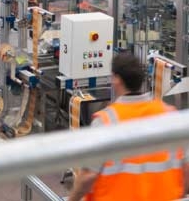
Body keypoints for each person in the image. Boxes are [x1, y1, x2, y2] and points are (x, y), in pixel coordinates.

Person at [69, 53, 189, 201]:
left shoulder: (106, 122)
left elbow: (88, 175)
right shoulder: (169, 115)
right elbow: (186, 167)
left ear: (117, 79)